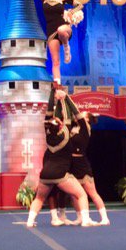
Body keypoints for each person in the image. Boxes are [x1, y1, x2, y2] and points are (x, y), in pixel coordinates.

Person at [0, 0, 83, 84]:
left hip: (64, 28)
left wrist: (71, 13)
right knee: (55, 62)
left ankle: (67, 47)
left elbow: (79, 5)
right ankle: (58, 87)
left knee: (61, 30)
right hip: (51, 31)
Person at [26, 87, 94, 227]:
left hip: (45, 174)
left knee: (39, 198)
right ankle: (86, 220)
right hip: (60, 174)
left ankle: (30, 221)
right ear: (61, 126)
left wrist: (52, 94)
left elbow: (50, 113)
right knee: (81, 194)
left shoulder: (48, 134)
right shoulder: (65, 135)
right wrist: (64, 98)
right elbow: (69, 116)